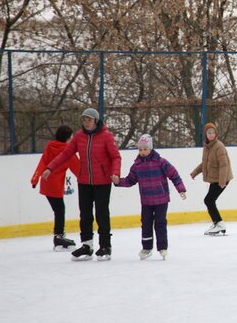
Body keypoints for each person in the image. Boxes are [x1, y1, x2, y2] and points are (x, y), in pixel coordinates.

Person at [42, 108, 121, 261]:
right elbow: (65, 154)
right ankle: (87, 245)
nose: (86, 122)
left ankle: (105, 246)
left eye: (89, 120)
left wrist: (115, 173)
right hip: (84, 181)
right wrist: (50, 168)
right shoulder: (79, 136)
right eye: (84, 120)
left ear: (96, 121)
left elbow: (116, 157)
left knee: (101, 214)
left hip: (102, 181)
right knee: (85, 214)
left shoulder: (106, 136)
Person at [115, 134, 187, 260]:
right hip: (146, 201)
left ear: (151, 148)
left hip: (161, 199)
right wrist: (117, 182)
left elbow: (174, 175)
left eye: (145, 149)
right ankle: (147, 247)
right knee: (146, 223)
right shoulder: (137, 165)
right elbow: (130, 180)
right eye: (140, 149)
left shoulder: (161, 162)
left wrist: (180, 189)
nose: (142, 152)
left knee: (160, 223)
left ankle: (162, 247)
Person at [30, 125, 80, 251]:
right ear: (68, 138)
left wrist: (35, 179)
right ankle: (58, 238)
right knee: (60, 210)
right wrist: (90, 179)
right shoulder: (67, 150)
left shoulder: (50, 146)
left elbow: (42, 162)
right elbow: (78, 169)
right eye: (72, 137)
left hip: (46, 183)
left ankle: (59, 236)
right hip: (55, 185)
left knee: (58, 210)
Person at [190, 122, 233, 235]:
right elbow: (205, 163)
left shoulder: (219, 146)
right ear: (205, 134)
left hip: (222, 179)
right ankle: (217, 223)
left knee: (209, 200)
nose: (211, 134)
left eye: (213, 132)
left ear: (216, 133)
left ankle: (219, 223)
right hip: (215, 179)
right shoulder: (207, 147)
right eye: (209, 132)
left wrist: (222, 181)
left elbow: (224, 165)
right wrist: (195, 172)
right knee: (209, 200)